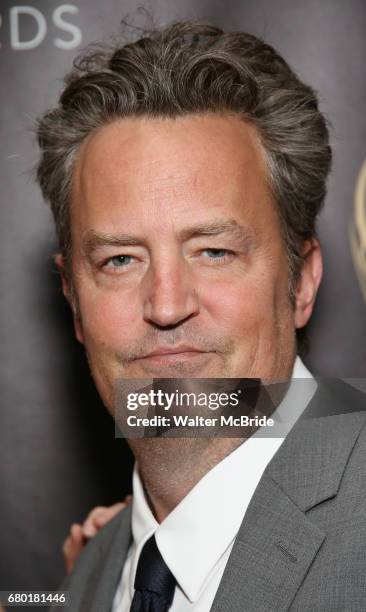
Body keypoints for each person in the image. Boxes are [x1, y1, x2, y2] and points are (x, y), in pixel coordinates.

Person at [36, 19, 366, 611]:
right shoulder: (89, 577)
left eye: (214, 251)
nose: (166, 306)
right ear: (72, 297)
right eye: (119, 259)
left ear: (303, 282)